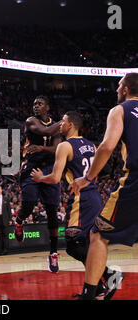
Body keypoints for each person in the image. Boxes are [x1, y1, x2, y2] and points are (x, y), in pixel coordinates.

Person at [31, 111, 119, 299]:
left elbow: (55, 178)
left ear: (70, 124)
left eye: (62, 122)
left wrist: (40, 178)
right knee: (87, 244)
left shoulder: (64, 146)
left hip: (81, 199)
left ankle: (111, 276)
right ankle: (98, 288)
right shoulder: (91, 145)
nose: (60, 125)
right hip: (95, 197)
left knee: (73, 246)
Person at [69, 73, 138, 300]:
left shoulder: (121, 110)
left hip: (134, 181)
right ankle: (108, 280)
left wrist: (88, 178)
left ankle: (91, 293)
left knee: (97, 235)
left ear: (126, 89)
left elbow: (107, 146)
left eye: (119, 85)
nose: (117, 89)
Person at [14, 95, 62, 273]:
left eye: (40, 104)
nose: (36, 106)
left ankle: (53, 252)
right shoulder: (31, 121)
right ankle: (19, 221)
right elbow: (46, 132)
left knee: (52, 212)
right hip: (31, 167)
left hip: (49, 168)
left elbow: (57, 148)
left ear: (47, 107)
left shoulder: (55, 125)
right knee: (29, 203)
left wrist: (42, 148)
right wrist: (64, 122)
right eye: (34, 103)